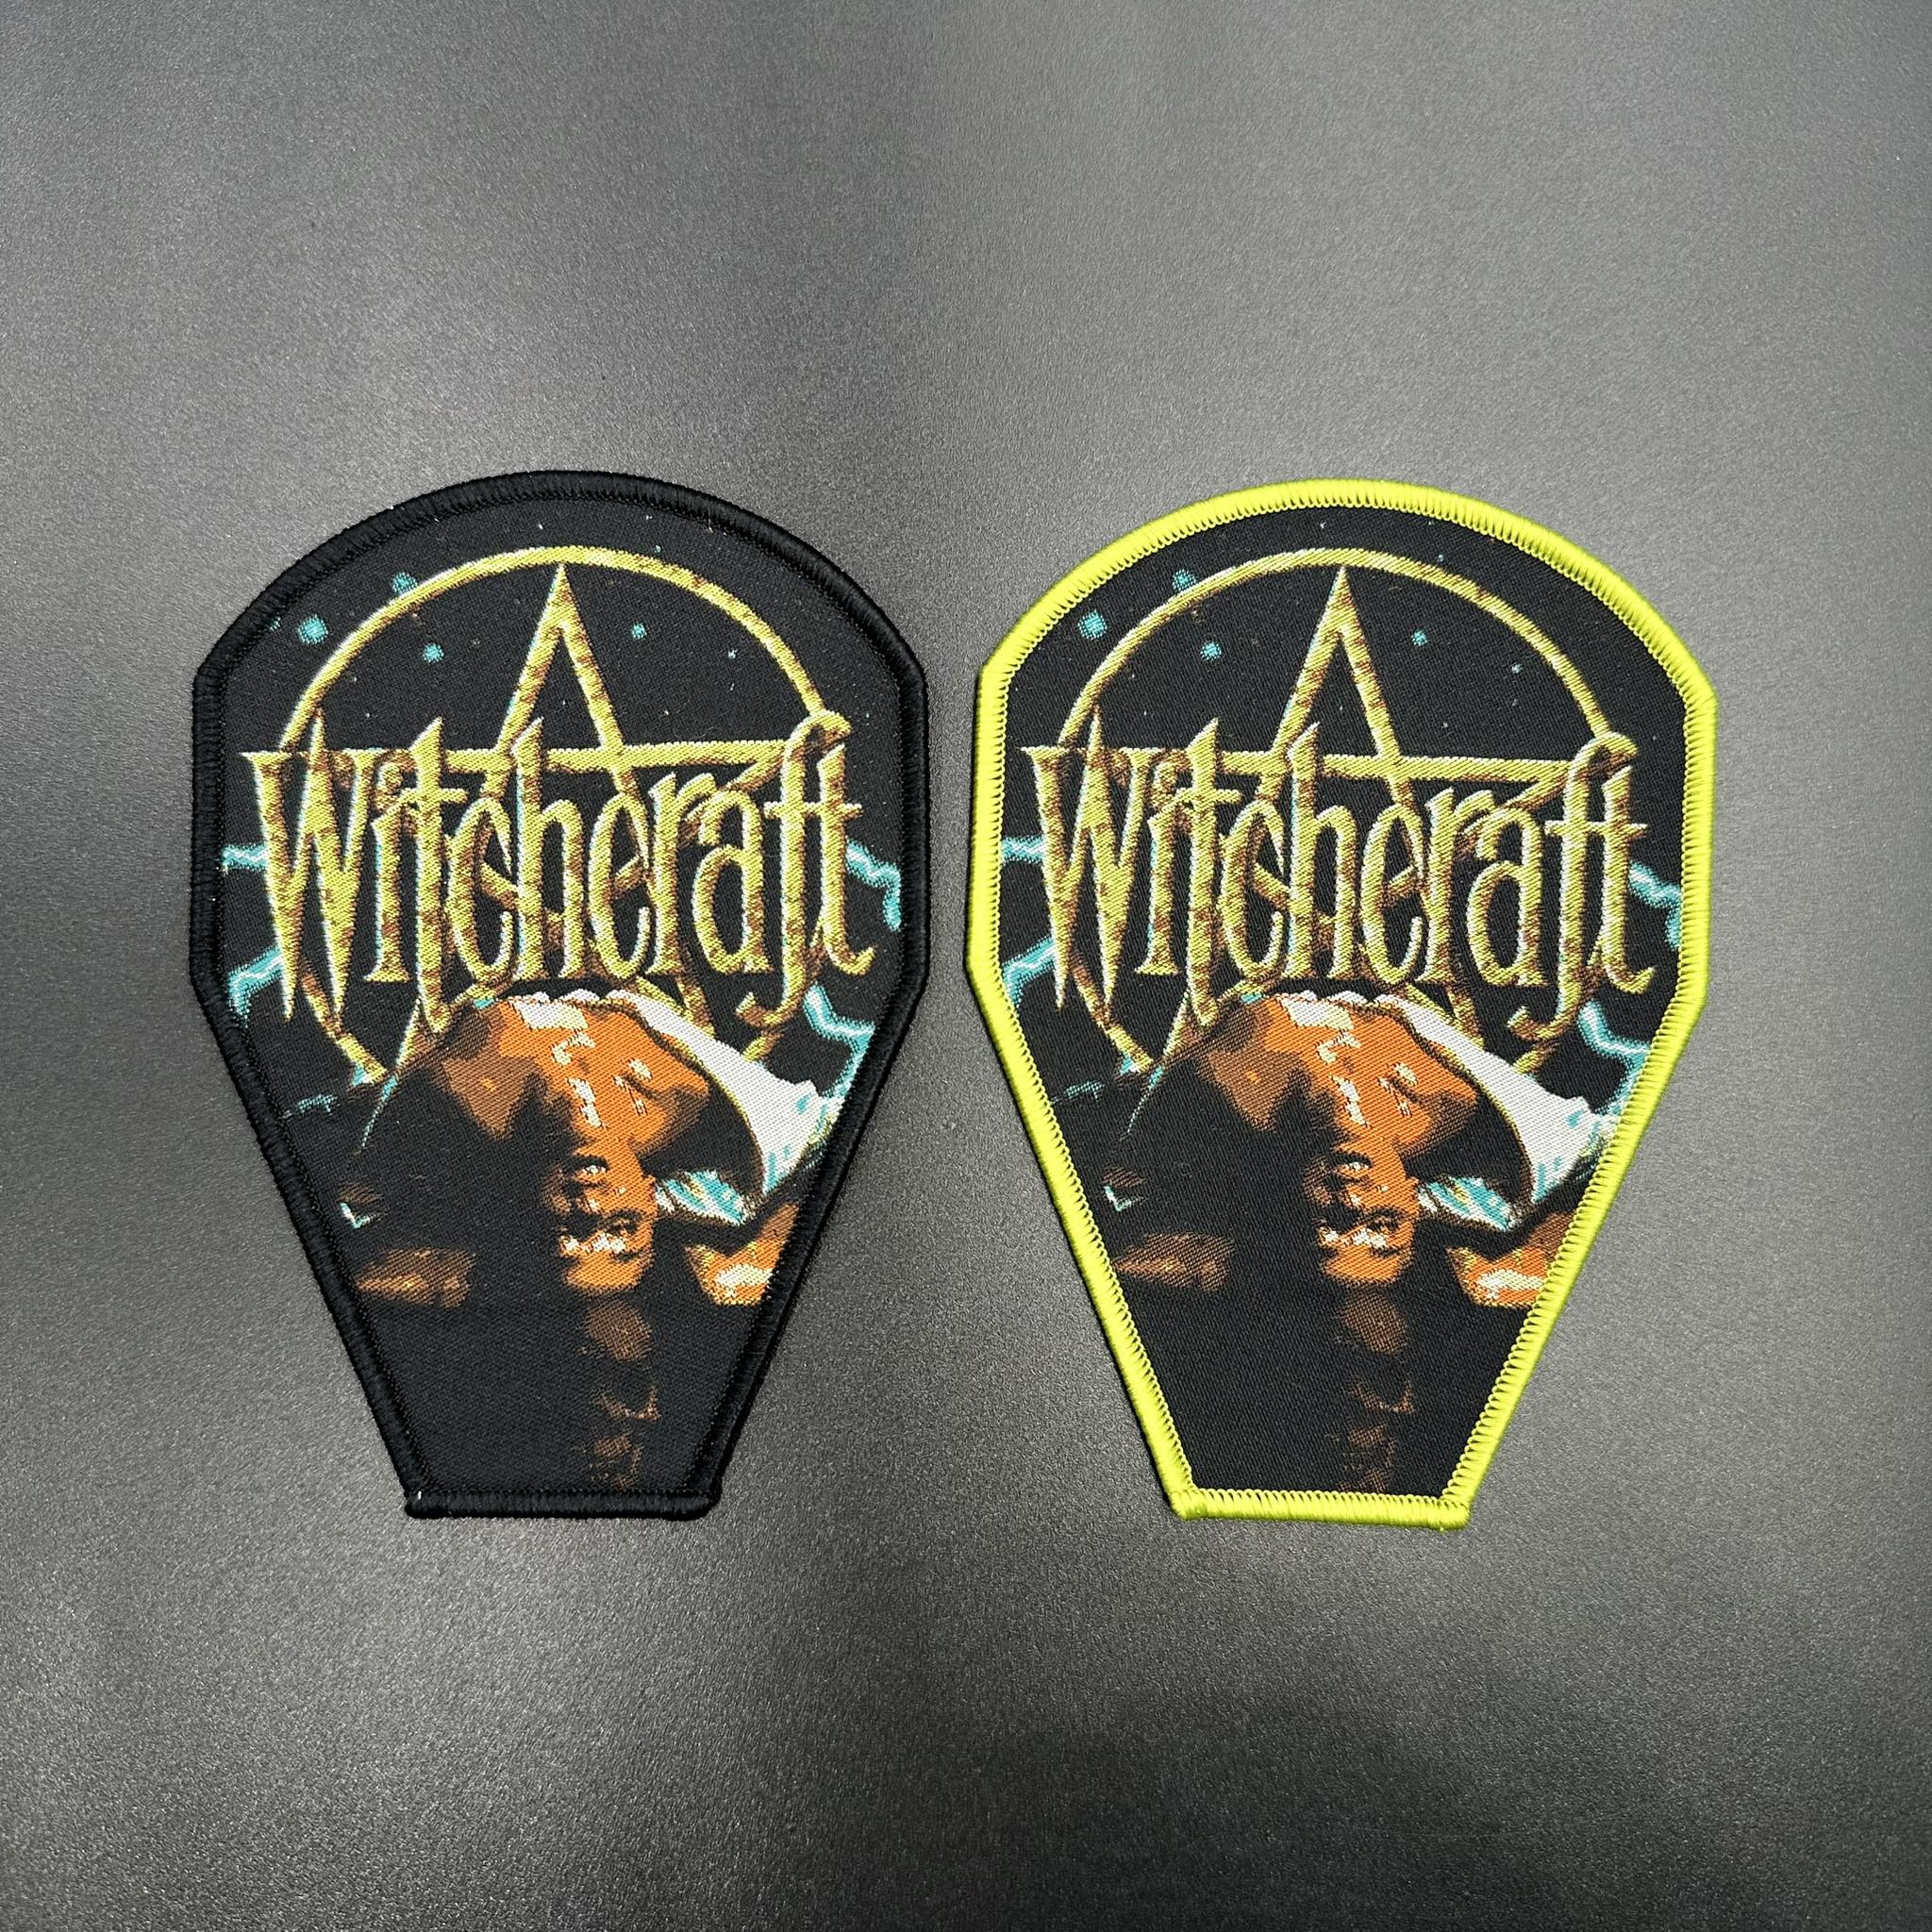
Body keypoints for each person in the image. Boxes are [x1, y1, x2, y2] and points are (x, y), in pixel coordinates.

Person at [1091, 990, 1611, 1496]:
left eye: (1324, 1230)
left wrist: (1244, 1256)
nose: (1351, 1201)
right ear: (1414, 1207)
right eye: (1383, 1228)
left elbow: (1113, 1223)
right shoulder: (1499, 1149)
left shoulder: (1211, 1118)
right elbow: (1607, 1163)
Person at [341, 989, 835, 1498]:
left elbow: (351, 1231)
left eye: (567, 1234)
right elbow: (835, 1145)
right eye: (622, 1230)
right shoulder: (725, 1133)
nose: (591, 1206)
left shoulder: (450, 1117)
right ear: (651, 1199)